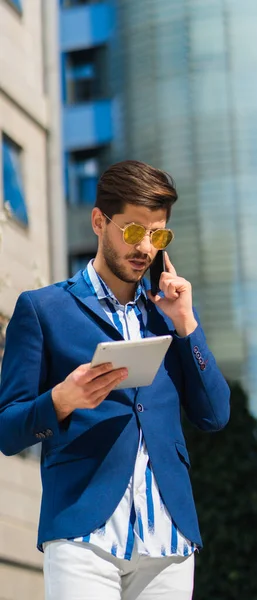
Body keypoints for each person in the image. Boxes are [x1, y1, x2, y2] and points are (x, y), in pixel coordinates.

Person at [0, 160, 230, 600]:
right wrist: (61, 400)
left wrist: (186, 325)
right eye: (132, 231)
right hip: (83, 534)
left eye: (157, 235)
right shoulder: (43, 310)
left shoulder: (168, 313)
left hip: (169, 539)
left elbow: (215, 415)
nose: (145, 246)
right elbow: (7, 430)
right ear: (98, 222)